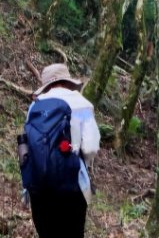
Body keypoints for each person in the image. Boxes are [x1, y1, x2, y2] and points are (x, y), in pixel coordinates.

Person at [22, 62, 100, 238]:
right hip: (72, 187)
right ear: (67, 81)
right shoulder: (82, 104)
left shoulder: (35, 106)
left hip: (39, 187)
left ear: (46, 85)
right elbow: (91, 147)